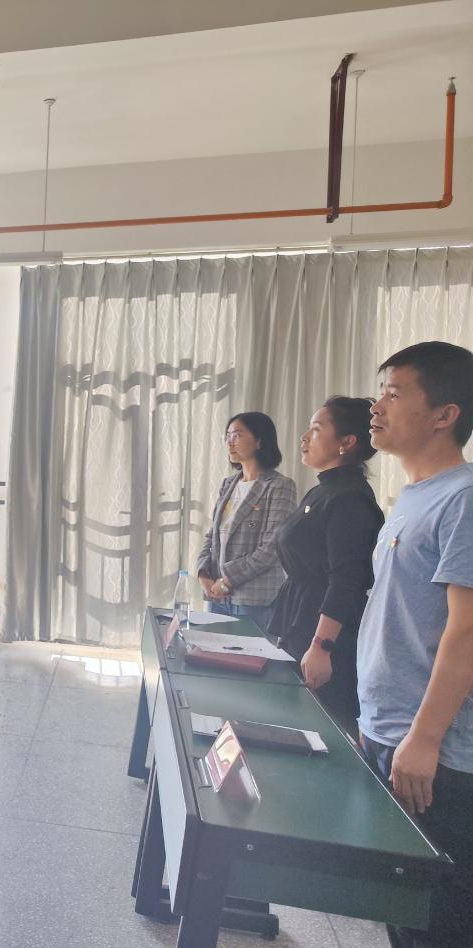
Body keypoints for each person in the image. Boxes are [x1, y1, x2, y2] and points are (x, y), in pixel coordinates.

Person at [358, 341, 473, 947]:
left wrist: (424, 738)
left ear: (445, 414)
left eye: (394, 393)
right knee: (398, 910)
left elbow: (466, 629)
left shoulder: (464, 498)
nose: (376, 406)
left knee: (436, 924)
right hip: (391, 729)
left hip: (435, 753)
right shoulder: (414, 496)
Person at [267, 397, 382, 732]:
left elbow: (347, 579)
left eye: (316, 429)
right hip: (301, 613)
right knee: (289, 718)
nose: (304, 437)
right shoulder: (324, 489)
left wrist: (321, 646)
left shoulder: (349, 497)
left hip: (324, 627)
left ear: (347, 442)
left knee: (318, 725)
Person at [196, 411, 297, 630]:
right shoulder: (228, 484)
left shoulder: (279, 485)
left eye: (237, 435)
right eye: (227, 436)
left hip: (254, 599)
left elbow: (272, 548)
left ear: (259, 441)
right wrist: (203, 574)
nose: (230, 442)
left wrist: (227, 580)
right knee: (212, 650)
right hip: (217, 595)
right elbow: (212, 536)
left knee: (251, 653)